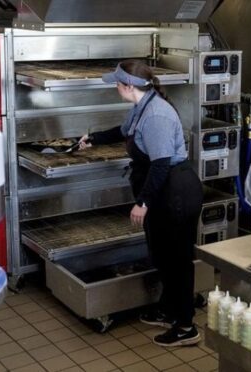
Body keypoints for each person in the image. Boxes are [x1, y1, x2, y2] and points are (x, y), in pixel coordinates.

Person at [79, 60, 203, 347]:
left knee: (177, 261)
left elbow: (160, 164)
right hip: (163, 190)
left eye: (117, 83)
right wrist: (93, 139)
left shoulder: (157, 115)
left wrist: (142, 202)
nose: (115, 87)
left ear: (129, 86)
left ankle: (186, 326)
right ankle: (168, 309)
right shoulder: (141, 106)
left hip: (175, 191)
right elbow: (123, 132)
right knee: (161, 254)